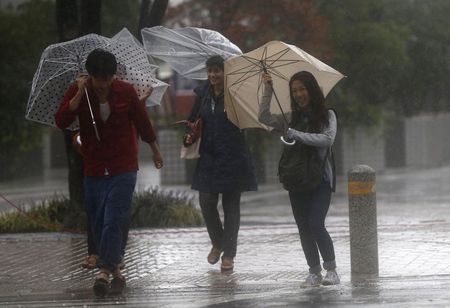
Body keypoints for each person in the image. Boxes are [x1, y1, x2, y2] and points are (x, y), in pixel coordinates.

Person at [55, 48, 164, 297]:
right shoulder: (79, 91)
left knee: (114, 217)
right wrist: (80, 92)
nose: (103, 85)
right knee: (97, 219)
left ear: (114, 76)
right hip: (93, 166)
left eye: (107, 78)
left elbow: (142, 121)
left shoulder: (125, 91)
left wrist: (155, 150)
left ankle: (103, 271)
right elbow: (61, 120)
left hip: (123, 165)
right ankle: (117, 271)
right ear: (90, 75)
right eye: (98, 79)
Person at [259, 71, 340, 286]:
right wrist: (268, 90)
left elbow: (327, 139)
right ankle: (314, 272)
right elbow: (264, 118)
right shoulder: (290, 118)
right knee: (303, 226)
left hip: (320, 179)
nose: (298, 94)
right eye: (294, 91)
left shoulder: (327, 115)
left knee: (315, 223)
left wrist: (296, 135)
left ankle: (331, 269)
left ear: (311, 90)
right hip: (296, 179)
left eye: (302, 89)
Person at [183, 55, 257, 272]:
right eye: (210, 71)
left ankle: (229, 255)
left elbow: (251, 117)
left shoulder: (236, 93)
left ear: (226, 73)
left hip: (233, 156)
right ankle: (218, 241)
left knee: (231, 206)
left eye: (218, 70)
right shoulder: (203, 94)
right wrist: (189, 134)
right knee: (206, 201)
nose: (213, 75)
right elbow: (192, 120)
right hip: (208, 156)